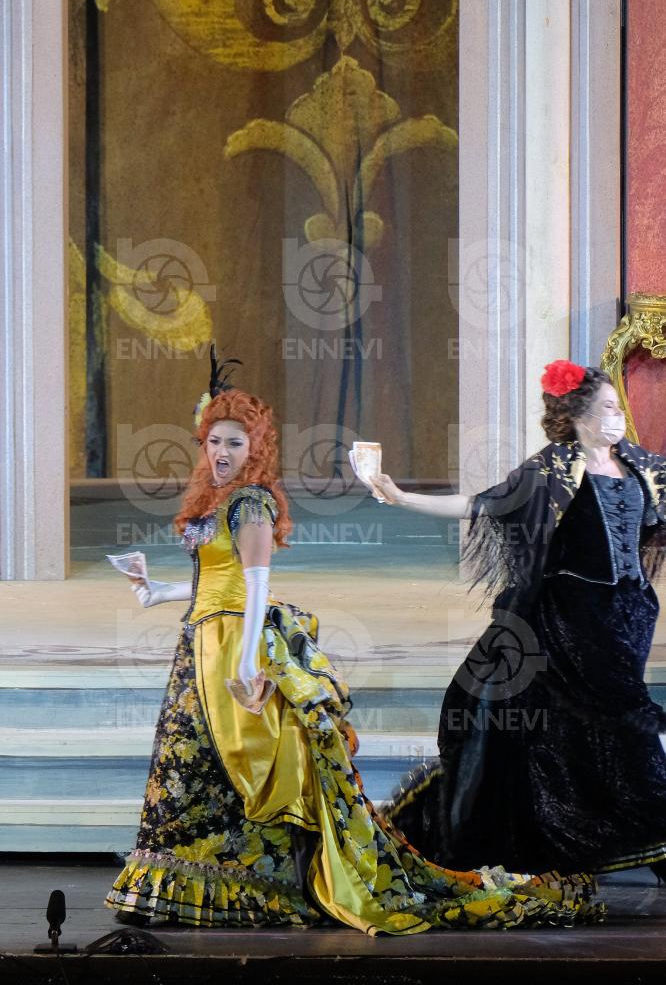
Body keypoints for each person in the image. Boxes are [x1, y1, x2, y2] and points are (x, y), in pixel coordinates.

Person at [104, 350, 607, 932]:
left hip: (234, 648)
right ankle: (209, 879)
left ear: (255, 448)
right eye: (214, 441)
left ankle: (261, 884)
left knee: (236, 765)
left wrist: (246, 665)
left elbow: (256, 586)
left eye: (235, 443)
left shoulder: (250, 502)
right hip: (202, 643)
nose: (222, 451)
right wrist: (154, 591)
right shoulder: (215, 501)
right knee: (196, 766)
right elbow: (216, 583)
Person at [370, 360, 666, 884]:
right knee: (625, 717)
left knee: (593, 726)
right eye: (608, 408)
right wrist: (403, 497)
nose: (619, 417)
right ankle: (647, 830)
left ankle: (605, 826)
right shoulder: (551, 468)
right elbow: (482, 504)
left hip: (630, 615)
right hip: (574, 617)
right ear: (580, 415)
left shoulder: (643, 465)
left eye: (618, 408)